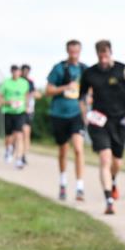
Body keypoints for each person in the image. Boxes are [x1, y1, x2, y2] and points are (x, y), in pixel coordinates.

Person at [80, 40, 125, 215]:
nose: (103, 59)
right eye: (100, 56)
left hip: (120, 120)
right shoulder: (89, 73)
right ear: (96, 54)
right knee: (105, 158)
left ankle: (113, 180)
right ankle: (109, 200)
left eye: (106, 55)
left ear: (111, 53)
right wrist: (85, 114)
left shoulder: (123, 70)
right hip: (99, 121)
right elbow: (82, 96)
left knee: (117, 162)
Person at [46, 41, 88, 201]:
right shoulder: (59, 69)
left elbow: (90, 90)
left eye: (76, 52)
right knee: (63, 150)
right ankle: (63, 183)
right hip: (59, 114)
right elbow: (48, 90)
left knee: (78, 149)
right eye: (71, 52)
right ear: (67, 51)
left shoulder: (84, 70)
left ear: (80, 51)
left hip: (76, 114)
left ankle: (79, 187)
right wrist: (65, 87)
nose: (74, 55)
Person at [0, 65, 29, 168]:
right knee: (9, 136)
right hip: (8, 111)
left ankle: (19, 159)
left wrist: (27, 106)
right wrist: (8, 102)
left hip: (20, 112)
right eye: (14, 71)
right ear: (11, 72)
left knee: (19, 135)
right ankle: (8, 150)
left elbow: (26, 96)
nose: (16, 73)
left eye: (17, 71)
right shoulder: (6, 83)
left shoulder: (24, 83)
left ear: (19, 72)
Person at [20, 64, 39, 167]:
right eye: (24, 71)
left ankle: (24, 155)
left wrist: (32, 95)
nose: (26, 72)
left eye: (27, 71)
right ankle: (17, 151)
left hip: (29, 110)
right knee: (19, 133)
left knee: (26, 133)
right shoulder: (18, 82)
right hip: (19, 110)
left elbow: (36, 94)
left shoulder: (31, 82)